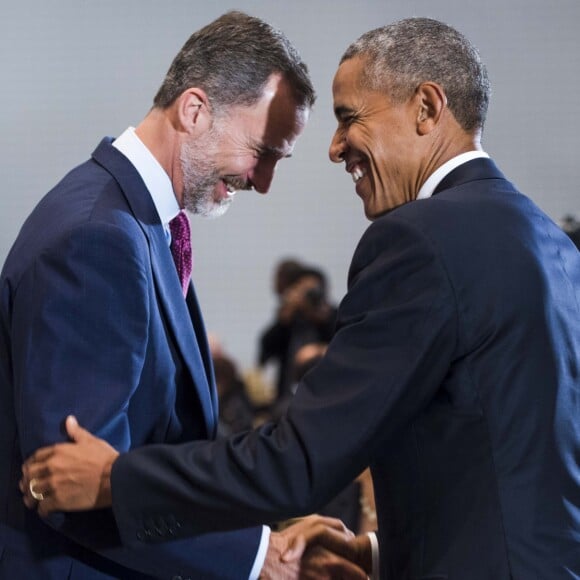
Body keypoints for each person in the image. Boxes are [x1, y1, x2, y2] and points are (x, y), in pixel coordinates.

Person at [22, 17, 580, 579]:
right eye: (262, 149)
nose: (336, 149)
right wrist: (376, 555)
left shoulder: (423, 241)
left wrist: (113, 482)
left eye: (348, 119)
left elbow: (300, 456)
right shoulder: (551, 245)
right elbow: (516, 474)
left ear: (427, 109)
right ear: (194, 111)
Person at [1, 10, 367, 580]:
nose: (264, 182)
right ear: (194, 110)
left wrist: (263, 537)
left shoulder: (144, 226)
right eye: (262, 151)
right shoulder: (97, 238)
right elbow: (64, 487)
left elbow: (153, 453)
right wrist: (254, 558)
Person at [258, 263, 337, 410]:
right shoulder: (291, 319)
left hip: (328, 396)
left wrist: (322, 319)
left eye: (313, 290)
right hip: (288, 401)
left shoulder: (333, 317)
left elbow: (341, 346)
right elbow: (265, 351)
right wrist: (284, 317)